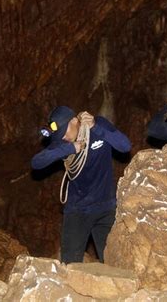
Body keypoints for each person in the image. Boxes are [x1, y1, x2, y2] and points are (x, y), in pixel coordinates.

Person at [31, 106, 131, 264]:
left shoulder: (98, 126)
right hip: (77, 209)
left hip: (106, 207)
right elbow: (36, 163)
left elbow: (125, 146)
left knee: (114, 264)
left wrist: (96, 127)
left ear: (74, 121)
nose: (63, 137)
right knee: (69, 265)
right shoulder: (63, 142)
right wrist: (70, 148)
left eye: (65, 131)